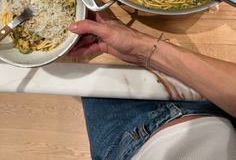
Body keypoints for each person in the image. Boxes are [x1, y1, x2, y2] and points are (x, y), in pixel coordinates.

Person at [68, 11, 236, 160]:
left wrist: (141, 48)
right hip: (218, 109)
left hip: (124, 142)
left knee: (88, 71)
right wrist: (141, 47)